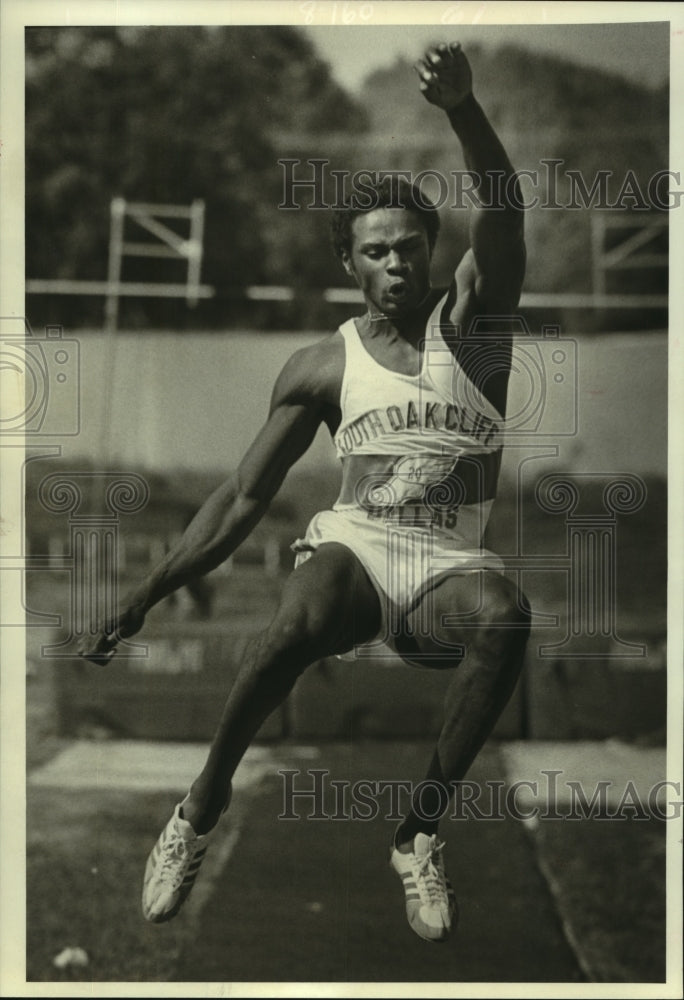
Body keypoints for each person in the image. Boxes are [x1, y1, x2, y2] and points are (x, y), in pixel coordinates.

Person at [81, 42, 530, 944]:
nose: (397, 265)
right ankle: (199, 810)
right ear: (351, 266)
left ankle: (418, 831)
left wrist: (463, 110)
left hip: (446, 565)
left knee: (506, 616)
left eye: (409, 248)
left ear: (430, 252)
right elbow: (243, 498)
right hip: (360, 552)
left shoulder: (474, 324)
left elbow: (506, 205)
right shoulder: (321, 366)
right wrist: (149, 591)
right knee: (296, 614)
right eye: (377, 254)